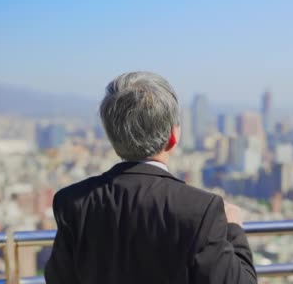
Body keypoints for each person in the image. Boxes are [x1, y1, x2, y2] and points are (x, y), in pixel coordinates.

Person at [45, 72, 257, 284]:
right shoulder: (200, 210)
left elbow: (58, 278)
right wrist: (234, 230)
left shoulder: (73, 202)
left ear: (111, 136)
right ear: (173, 137)